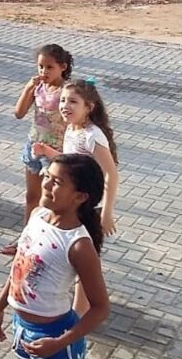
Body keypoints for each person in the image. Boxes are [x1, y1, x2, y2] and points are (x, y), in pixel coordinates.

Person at [0, 154, 110, 359]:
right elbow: (19, 269)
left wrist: (60, 342)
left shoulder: (78, 245)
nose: (45, 183)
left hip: (54, 335)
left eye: (57, 182)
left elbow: (101, 307)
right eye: (47, 176)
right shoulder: (37, 216)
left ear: (80, 196)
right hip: (22, 326)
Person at [33, 79, 121, 316]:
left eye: (73, 101)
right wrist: (48, 153)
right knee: (69, 254)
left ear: (89, 107)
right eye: (63, 100)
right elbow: (70, 161)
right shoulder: (72, 129)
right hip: (71, 202)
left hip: (87, 206)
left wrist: (106, 212)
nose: (65, 106)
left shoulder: (93, 135)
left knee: (85, 262)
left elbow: (111, 175)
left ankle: (79, 315)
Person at [2, 44, 73, 256]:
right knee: (32, 197)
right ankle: (26, 239)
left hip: (55, 154)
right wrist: (27, 89)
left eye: (49, 67)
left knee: (50, 200)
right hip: (33, 147)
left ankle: (49, 244)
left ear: (63, 67)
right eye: (41, 66)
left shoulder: (67, 91)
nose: (44, 72)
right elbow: (19, 113)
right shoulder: (38, 87)